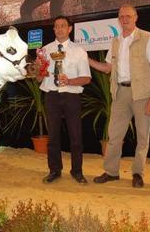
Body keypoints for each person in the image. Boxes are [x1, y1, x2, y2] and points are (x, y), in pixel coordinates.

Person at [89, 4, 150, 188]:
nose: (125, 19)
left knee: (143, 137)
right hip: (120, 93)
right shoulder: (116, 41)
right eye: (121, 16)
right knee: (114, 135)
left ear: (136, 17)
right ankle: (111, 172)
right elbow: (107, 68)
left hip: (142, 93)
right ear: (118, 19)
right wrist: (87, 60)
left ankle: (138, 173)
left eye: (128, 16)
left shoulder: (147, 37)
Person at [38, 16, 91, 184]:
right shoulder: (45, 50)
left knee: (76, 136)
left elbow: (86, 78)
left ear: (70, 29)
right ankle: (54, 170)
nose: (59, 29)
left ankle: (77, 171)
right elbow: (39, 80)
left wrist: (69, 81)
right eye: (56, 26)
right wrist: (39, 72)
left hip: (71, 95)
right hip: (52, 95)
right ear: (53, 30)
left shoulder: (79, 51)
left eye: (63, 26)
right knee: (53, 137)